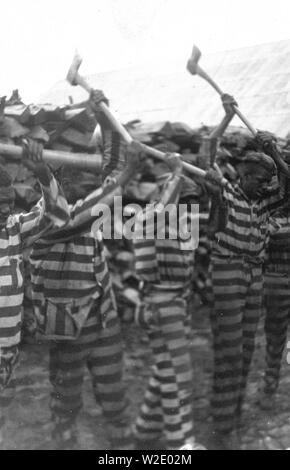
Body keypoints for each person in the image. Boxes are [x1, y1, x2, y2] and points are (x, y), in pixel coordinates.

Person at [29, 90, 145, 450]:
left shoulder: (89, 203)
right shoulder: (44, 216)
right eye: (74, 176)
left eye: (86, 173)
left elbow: (109, 179)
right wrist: (127, 173)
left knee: (115, 399)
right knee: (66, 405)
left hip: (103, 319)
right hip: (68, 327)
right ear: (58, 179)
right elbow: (91, 205)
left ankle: (123, 451)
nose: (86, 181)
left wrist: (106, 116)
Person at [205, 121, 289, 449]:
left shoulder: (263, 203)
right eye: (260, 180)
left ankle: (232, 415)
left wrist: (274, 152)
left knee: (245, 350)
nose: (265, 187)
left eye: (268, 182)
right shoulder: (225, 191)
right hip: (228, 272)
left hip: (254, 276)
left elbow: (288, 185)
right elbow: (206, 155)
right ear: (244, 174)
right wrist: (225, 118)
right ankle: (224, 425)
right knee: (228, 352)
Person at [131, 151, 206, 451]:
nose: (188, 208)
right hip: (162, 306)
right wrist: (176, 173)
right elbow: (165, 209)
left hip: (174, 303)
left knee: (165, 370)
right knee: (178, 374)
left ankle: (145, 432)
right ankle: (180, 444)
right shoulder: (149, 218)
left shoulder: (177, 225)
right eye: (183, 201)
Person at [0, 141, 70, 445]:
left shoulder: (12, 229)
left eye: (7, 202)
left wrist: (42, 172)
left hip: (7, 350)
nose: (5, 208)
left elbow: (56, 214)